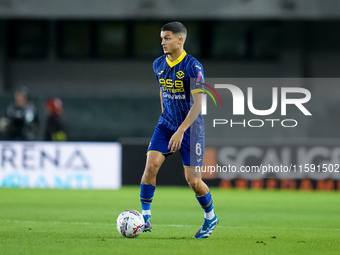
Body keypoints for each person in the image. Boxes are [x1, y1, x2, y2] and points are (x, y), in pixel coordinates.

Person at [139, 21, 218, 238]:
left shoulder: (194, 67)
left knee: (193, 181)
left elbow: (199, 105)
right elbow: (163, 90)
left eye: (167, 38)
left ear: (180, 40)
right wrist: (166, 117)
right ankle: (145, 218)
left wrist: (181, 130)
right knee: (151, 167)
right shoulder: (158, 64)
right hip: (166, 125)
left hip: (191, 129)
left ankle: (210, 217)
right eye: (162, 38)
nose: (162, 42)